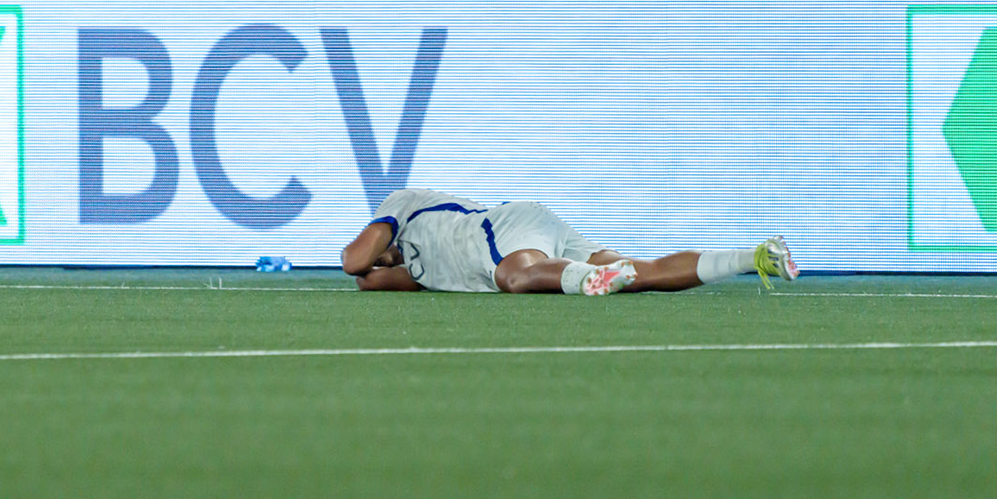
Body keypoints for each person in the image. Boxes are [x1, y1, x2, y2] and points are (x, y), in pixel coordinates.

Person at [340, 187, 799, 295]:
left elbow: (350, 261)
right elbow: (367, 280)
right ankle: (756, 256)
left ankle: (592, 280)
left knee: (516, 277)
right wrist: (381, 266)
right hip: (535, 235)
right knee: (642, 272)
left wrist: (374, 247)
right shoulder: (419, 270)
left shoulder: (401, 205)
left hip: (502, 231)